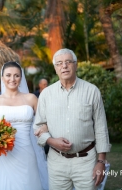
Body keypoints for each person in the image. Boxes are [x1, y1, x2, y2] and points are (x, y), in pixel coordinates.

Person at [34, 48, 111, 190]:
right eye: (59, 63)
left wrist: (101, 160)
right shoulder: (46, 94)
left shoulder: (92, 91)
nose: (64, 66)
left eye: (68, 62)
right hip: (56, 162)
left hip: (86, 161)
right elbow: (38, 126)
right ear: (55, 69)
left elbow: (101, 127)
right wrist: (52, 141)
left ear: (75, 65)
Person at [0, 61, 48, 190]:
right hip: (3, 154)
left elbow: (45, 122)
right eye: (8, 75)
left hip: (26, 152)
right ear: (2, 78)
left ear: (21, 78)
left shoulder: (31, 98)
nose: (12, 79)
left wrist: (42, 130)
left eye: (16, 75)